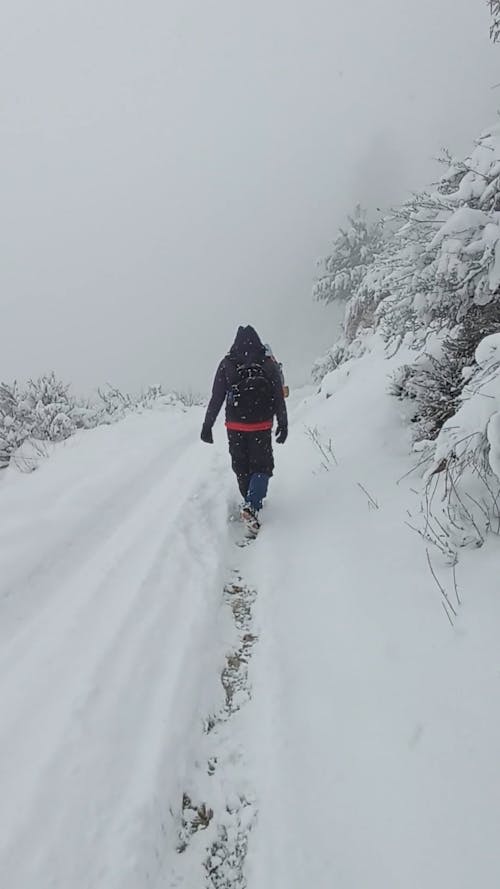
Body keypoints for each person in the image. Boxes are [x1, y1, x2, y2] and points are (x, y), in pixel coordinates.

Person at [200, 325, 288, 529]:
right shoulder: (267, 363)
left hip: (235, 424)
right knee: (261, 465)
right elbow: (278, 396)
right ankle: (253, 504)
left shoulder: (227, 363)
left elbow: (216, 397)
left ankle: (249, 502)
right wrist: (283, 423)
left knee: (241, 465)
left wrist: (207, 425)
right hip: (261, 424)